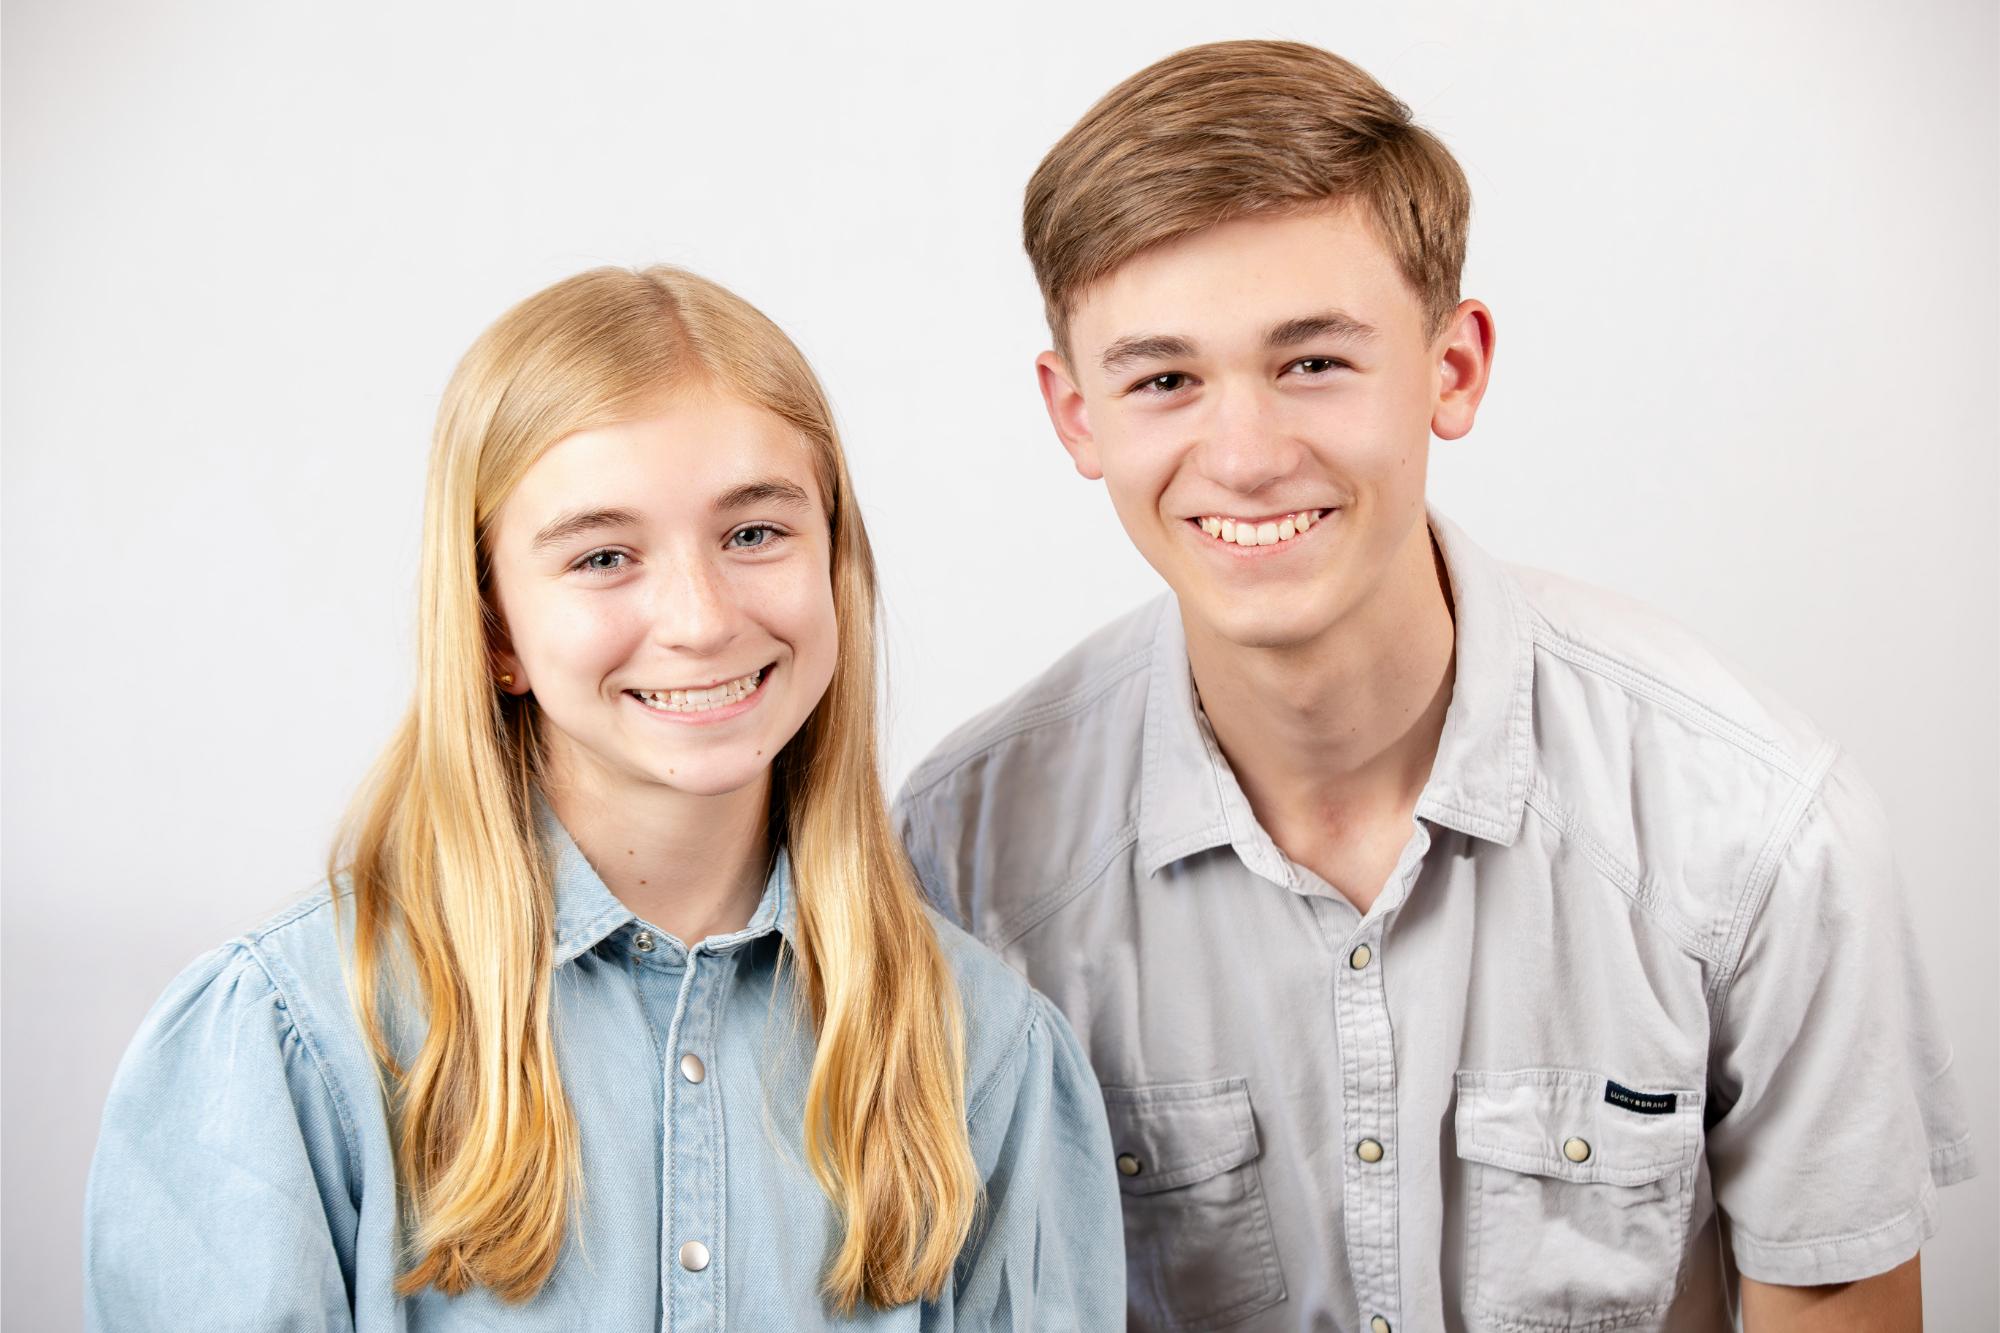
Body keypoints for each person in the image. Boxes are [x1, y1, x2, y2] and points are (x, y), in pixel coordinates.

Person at [894, 39, 1975, 1333]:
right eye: (1165, 379)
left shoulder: (1759, 829)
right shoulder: (961, 854)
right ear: (1077, 414)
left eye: (1313, 361)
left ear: (1452, 369)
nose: (1244, 454)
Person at [84, 265, 1124, 1330]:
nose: (699, 619)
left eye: (753, 532)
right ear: (495, 630)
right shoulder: (284, 1042)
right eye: (604, 555)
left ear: (833, 562)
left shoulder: (984, 1054)